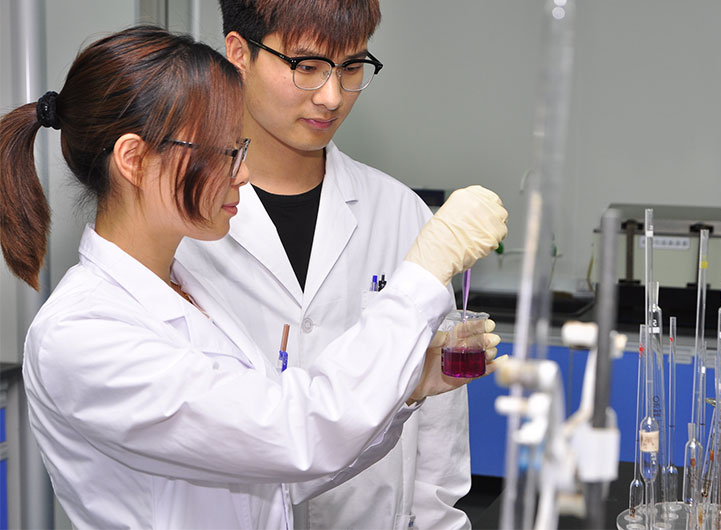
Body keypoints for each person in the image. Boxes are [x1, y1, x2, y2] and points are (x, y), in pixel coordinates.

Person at [0, 26, 508, 529]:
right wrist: (421, 277)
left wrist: (407, 386)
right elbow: (293, 435)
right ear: (134, 160)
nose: (242, 173)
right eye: (223, 153)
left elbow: (273, 478)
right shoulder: (82, 334)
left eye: (238, 149)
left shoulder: (188, 293)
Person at [176, 0, 489, 528]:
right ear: (239, 52)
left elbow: (438, 446)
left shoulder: (399, 212)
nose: (331, 96)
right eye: (307, 66)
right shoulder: (180, 222)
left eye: (351, 67)